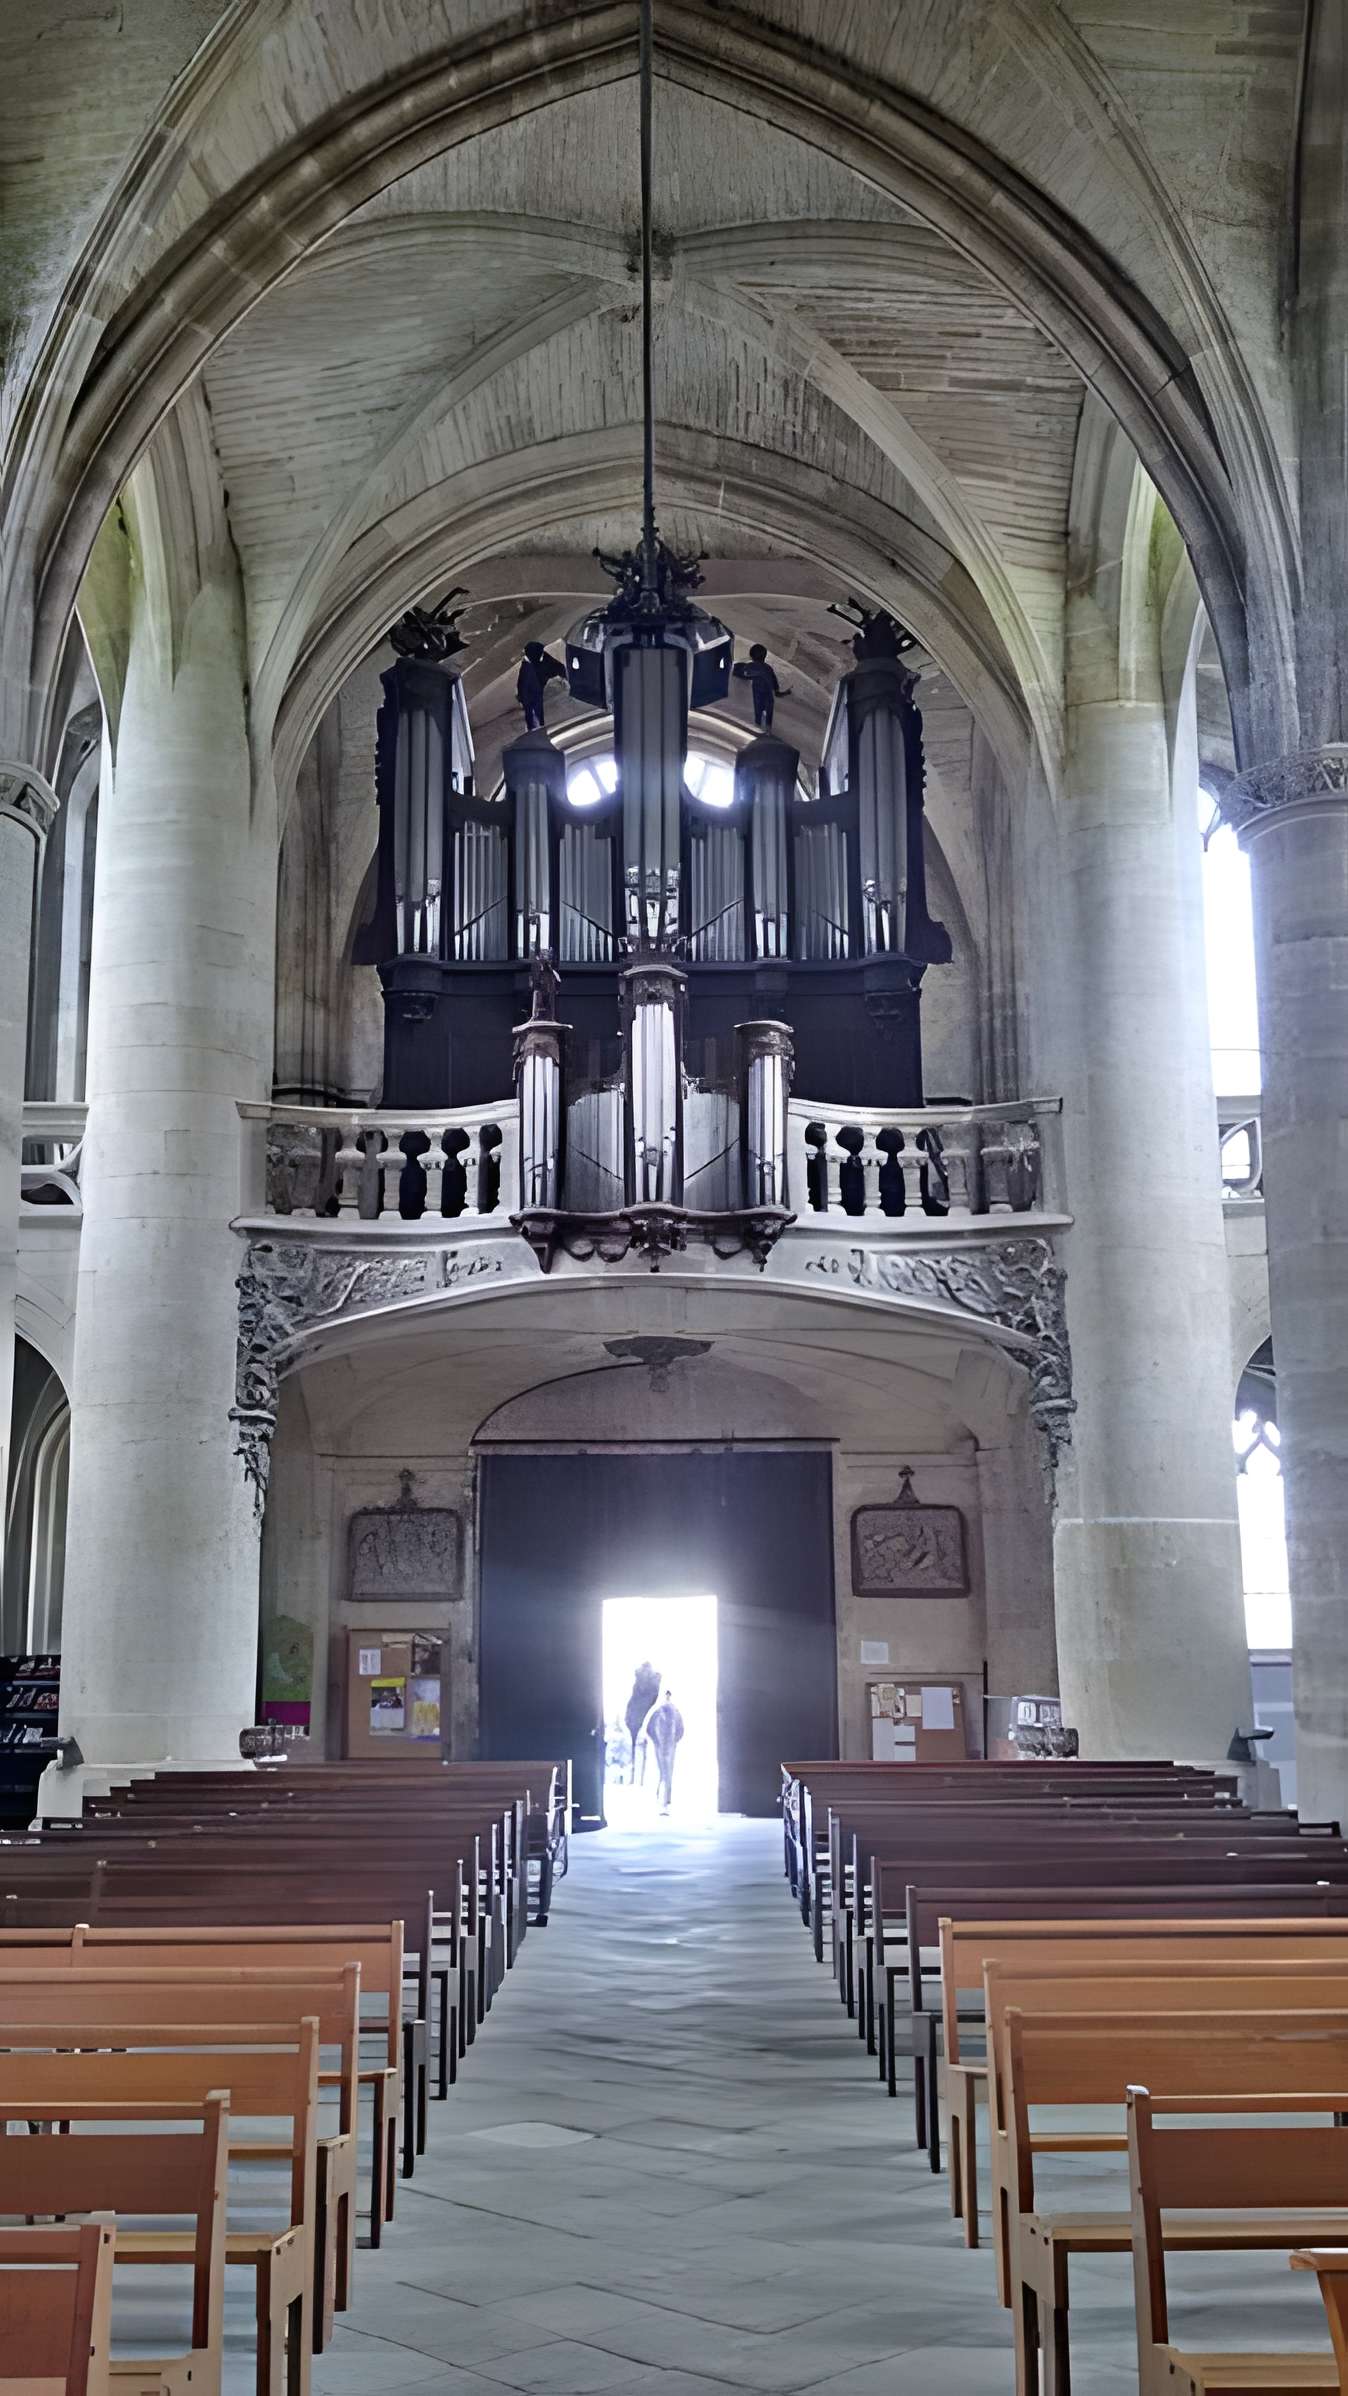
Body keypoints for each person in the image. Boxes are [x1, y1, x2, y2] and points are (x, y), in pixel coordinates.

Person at [642, 1688, 685, 1814]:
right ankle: (664, 1799)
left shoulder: (664, 1711)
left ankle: (664, 1798)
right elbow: (680, 1730)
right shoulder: (670, 1712)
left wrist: (668, 1742)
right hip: (665, 1746)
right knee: (665, 1772)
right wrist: (659, 1742)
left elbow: (680, 1730)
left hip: (666, 1746)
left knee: (665, 1772)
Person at [732, 642, 789, 729]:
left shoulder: (751, 666)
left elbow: (745, 673)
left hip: (758, 693)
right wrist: (777, 691)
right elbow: (774, 680)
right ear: (764, 656)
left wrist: (736, 670)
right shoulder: (768, 668)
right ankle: (768, 728)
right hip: (769, 694)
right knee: (769, 710)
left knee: (758, 709)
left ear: (751, 656)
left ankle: (758, 725)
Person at [516, 639, 567, 731]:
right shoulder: (528, 669)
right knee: (534, 716)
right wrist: (523, 699)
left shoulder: (536, 662)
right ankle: (535, 729)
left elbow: (556, 666)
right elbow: (523, 687)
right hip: (532, 697)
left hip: (535, 694)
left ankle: (535, 728)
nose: (543, 655)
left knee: (535, 716)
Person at [624, 1660, 661, 1783]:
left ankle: (636, 1778)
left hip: (636, 1715)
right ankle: (638, 1778)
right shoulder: (653, 1679)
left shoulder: (642, 1678)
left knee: (636, 1747)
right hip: (638, 1715)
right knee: (639, 1747)